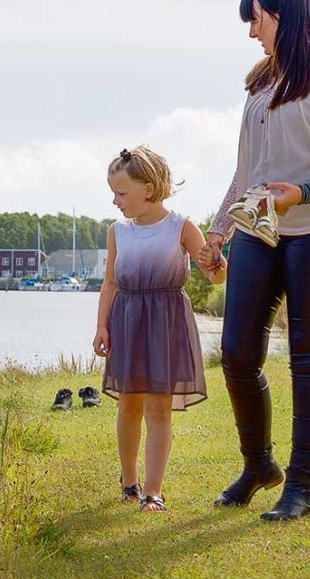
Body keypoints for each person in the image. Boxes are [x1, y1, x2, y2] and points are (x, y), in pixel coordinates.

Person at [195, 0, 310, 521]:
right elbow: (248, 169)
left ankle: (302, 486)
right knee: (235, 352)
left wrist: (305, 191)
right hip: (259, 229)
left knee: (307, 358)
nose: (252, 31)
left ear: (285, 13)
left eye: (255, 19)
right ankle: (259, 466)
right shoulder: (260, 81)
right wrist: (217, 231)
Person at [95, 146, 222, 513]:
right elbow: (110, 284)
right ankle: (129, 480)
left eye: (122, 193)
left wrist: (217, 259)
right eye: (114, 193)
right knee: (129, 405)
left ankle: (154, 491)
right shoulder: (117, 231)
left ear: (148, 189)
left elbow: (215, 276)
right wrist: (102, 326)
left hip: (166, 321)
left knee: (158, 410)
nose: (115, 201)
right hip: (127, 320)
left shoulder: (181, 226)